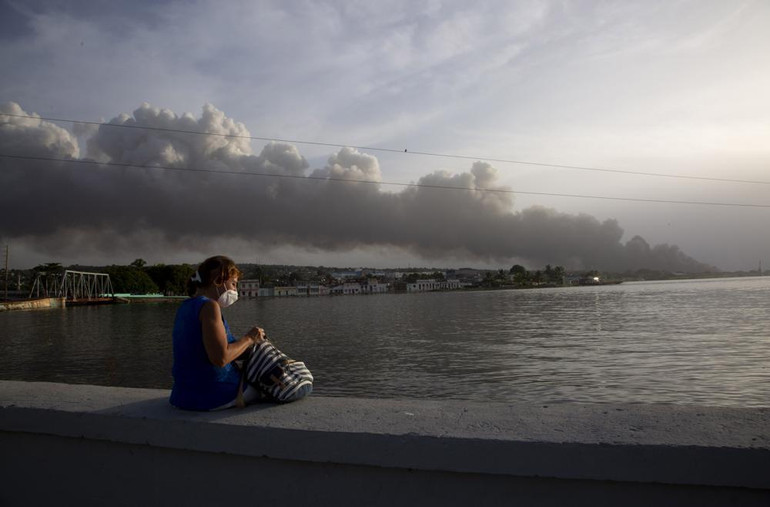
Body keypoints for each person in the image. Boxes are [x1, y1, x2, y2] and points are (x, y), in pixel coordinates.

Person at [169, 255, 311, 410]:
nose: (235, 290)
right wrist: (250, 338)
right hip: (212, 395)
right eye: (234, 284)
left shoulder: (185, 306)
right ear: (219, 280)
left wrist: (247, 344)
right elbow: (220, 358)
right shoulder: (210, 306)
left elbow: (204, 348)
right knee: (294, 387)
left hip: (182, 396)